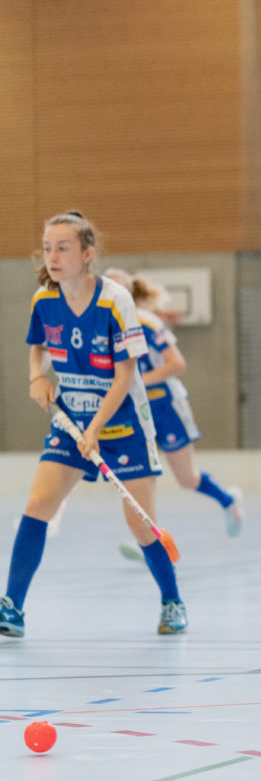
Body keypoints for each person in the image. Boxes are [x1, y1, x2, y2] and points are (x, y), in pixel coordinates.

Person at [1, 211, 187, 639]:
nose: (53, 256)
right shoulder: (42, 300)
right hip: (70, 421)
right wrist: (37, 377)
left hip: (123, 425)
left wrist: (96, 429)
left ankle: (172, 602)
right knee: (38, 505)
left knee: (140, 524)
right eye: (48, 248)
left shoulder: (115, 300)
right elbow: (37, 347)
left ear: (87, 254)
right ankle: (12, 607)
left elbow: (125, 376)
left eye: (63, 247)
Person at [103, 270, 245, 555]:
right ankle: (150, 541)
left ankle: (228, 500)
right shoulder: (102, 327)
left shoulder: (145, 323)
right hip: (134, 413)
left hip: (165, 405)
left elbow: (176, 364)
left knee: (186, 479)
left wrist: (136, 383)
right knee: (138, 476)